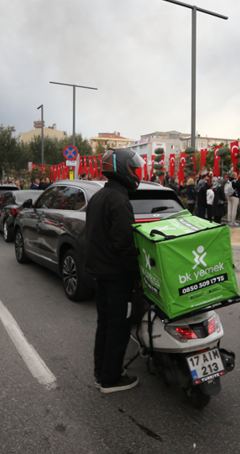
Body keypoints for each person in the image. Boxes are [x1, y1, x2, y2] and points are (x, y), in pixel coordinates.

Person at [85, 148, 145, 394]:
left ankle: (101, 373)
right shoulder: (119, 200)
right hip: (118, 278)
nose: (137, 173)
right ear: (123, 169)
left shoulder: (99, 196)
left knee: (105, 325)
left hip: (101, 275)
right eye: (134, 168)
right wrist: (137, 276)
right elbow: (124, 245)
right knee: (119, 328)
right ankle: (110, 379)